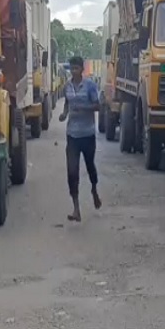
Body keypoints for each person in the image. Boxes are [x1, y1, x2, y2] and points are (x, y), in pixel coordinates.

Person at [58, 56, 102, 222]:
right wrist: (64, 114)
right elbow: (67, 103)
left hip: (88, 134)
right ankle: (76, 208)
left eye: (76, 68)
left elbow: (97, 106)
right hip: (72, 135)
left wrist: (83, 108)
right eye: (72, 68)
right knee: (72, 171)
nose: (73, 71)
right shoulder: (67, 86)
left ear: (82, 69)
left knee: (90, 166)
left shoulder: (90, 86)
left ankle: (94, 189)